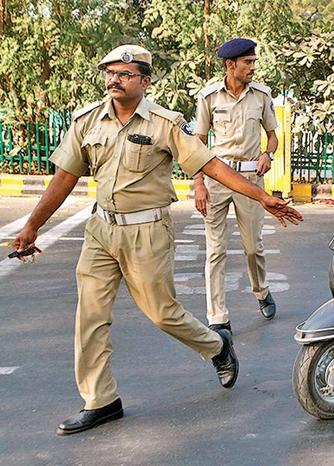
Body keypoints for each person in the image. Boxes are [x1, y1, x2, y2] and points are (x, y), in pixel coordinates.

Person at [9, 45, 303, 436]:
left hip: (147, 232)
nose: (114, 79)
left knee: (163, 313)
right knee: (90, 317)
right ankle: (100, 400)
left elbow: (210, 164)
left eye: (124, 73)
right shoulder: (87, 121)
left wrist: (262, 196)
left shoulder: (165, 124)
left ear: (145, 82)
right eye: (110, 73)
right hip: (100, 231)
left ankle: (217, 346)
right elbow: (64, 178)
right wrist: (32, 227)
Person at [193, 38, 281, 332]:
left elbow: (272, 135)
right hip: (217, 178)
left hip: (250, 180)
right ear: (231, 65)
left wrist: (268, 154)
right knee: (215, 250)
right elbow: (199, 144)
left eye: (254, 62)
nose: (253, 67)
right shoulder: (208, 97)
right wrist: (199, 184)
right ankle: (217, 317)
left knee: (252, 247)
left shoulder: (261, 96)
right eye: (248, 63)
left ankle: (262, 290)